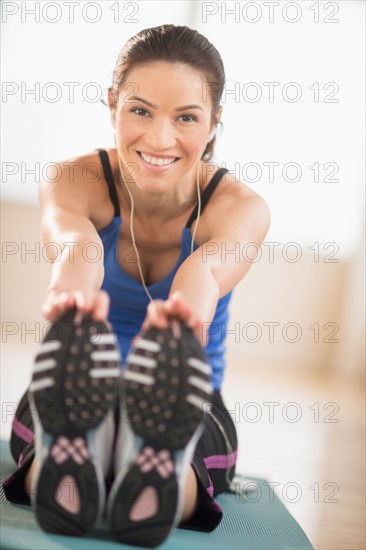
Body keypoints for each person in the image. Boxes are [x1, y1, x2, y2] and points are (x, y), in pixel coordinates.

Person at [3, 24, 270, 547]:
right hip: (79, 381)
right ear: (112, 105)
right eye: (141, 110)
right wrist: (74, 299)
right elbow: (76, 247)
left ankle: (149, 466)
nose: (159, 138)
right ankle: (104, 461)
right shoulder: (73, 179)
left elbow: (206, 271)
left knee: (179, 435)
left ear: (214, 122)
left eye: (186, 118)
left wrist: (180, 324)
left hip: (183, 392)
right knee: (59, 425)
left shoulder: (240, 208)